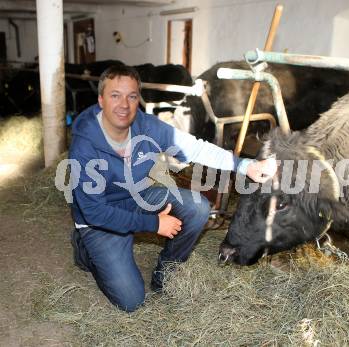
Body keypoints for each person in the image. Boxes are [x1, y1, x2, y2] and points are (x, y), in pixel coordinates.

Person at [69, 65, 276, 312]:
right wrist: (154, 224)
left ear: (139, 99)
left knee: (198, 207)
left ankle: (166, 273)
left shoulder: (147, 126)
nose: (124, 104)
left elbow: (196, 148)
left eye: (132, 96)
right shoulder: (84, 145)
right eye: (115, 95)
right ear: (101, 100)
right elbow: (94, 212)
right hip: (99, 221)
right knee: (131, 300)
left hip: (138, 197)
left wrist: (244, 166)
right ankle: (84, 249)